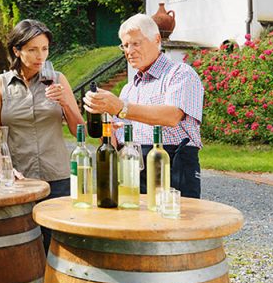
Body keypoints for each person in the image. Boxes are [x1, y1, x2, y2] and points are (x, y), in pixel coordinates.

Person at [0, 19, 83, 250]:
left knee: (59, 247)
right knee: (21, 247)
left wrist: (66, 103)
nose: (41, 56)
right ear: (17, 51)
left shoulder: (58, 80)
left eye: (45, 49)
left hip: (57, 178)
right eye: (32, 49)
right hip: (19, 180)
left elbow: (80, 130)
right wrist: (0, 164)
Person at [83, 13, 204, 199]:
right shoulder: (129, 88)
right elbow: (115, 145)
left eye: (135, 43)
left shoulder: (179, 73)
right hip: (131, 169)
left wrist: (120, 107)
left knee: (174, 225)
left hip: (172, 165)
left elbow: (171, 116)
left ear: (156, 40)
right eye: (125, 45)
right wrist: (102, 124)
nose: (129, 51)